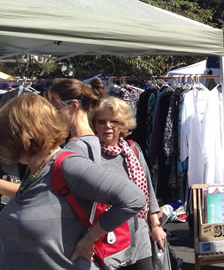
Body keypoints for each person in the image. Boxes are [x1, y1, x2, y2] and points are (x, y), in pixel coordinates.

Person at [0, 94, 146, 269]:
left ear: (22, 133)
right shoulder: (35, 169)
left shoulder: (67, 164)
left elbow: (133, 198)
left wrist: (90, 238)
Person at [91, 96, 165, 269]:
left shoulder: (132, 150)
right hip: (107, 240)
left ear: (123, 124)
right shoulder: (90, 155)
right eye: (101, 121)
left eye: (114, 121)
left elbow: (148, 190)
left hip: (139, 238)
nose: (107, 126)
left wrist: (155, 225)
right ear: (94, 124)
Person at [0, 78, 106, 199]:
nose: (52, 114)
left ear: (74, 105)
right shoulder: (89, 141)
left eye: (55, 107)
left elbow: (42, 194)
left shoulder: (77, 147)